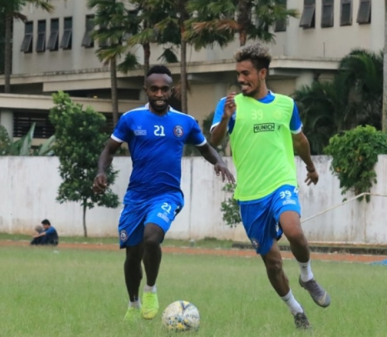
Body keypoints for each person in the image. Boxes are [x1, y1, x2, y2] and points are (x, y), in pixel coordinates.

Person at [93, 65, 234, 322]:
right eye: (154, 88)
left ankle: (150, 289)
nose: (160, 93)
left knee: (151, 238)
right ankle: (133, 304)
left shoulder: (185, 122)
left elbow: (205, 148)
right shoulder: (131, 119)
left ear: (171, 90)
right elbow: (109, 149)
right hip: (136, 197)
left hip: (167, 195)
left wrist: (220, 162)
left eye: (165, 89)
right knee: (132, 256)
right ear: (146, 90)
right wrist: (101, 171)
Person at [209, 44, 330, 330]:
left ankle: (307, 276)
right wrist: (225, 117)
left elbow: (299, 140)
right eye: (238, 73)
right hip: (250, 197)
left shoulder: (286, 105)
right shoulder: (230, 106)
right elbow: (212, 141)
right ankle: (296, 311)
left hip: (281, 183)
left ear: (262, 73)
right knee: (273, 263)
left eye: (246, 73)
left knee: (295, 231)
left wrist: (311, 167)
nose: (241, 79)